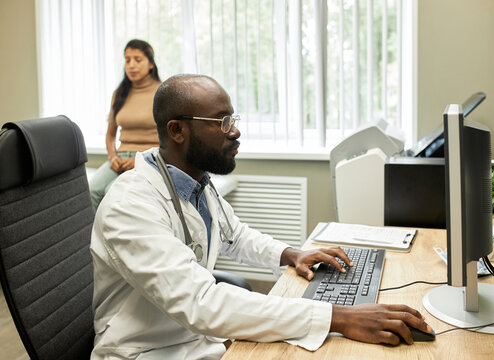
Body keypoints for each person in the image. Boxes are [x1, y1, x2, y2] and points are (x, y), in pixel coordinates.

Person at [90, 74, 432, 359]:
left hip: (192, 339)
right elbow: (201, 303)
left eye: (233, 119)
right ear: (177, 130)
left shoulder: (196, 181)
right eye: (221, 122)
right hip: (144, 350)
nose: (235, 131)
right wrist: (338, 317)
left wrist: (291, 254)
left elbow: (235, 235)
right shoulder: (130, 205)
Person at [89, 39, 161, 209]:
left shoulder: (163, 92)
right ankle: (95, 236)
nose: (131, 65)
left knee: (110, 192)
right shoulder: (119, 93)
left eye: (137, 59)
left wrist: (141, 159)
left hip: (149, 158)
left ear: (151, 64)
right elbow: (110, 135)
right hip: (121, 158)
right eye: (127, 60)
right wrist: (112, 156)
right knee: (91, 191)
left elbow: (171, 139)